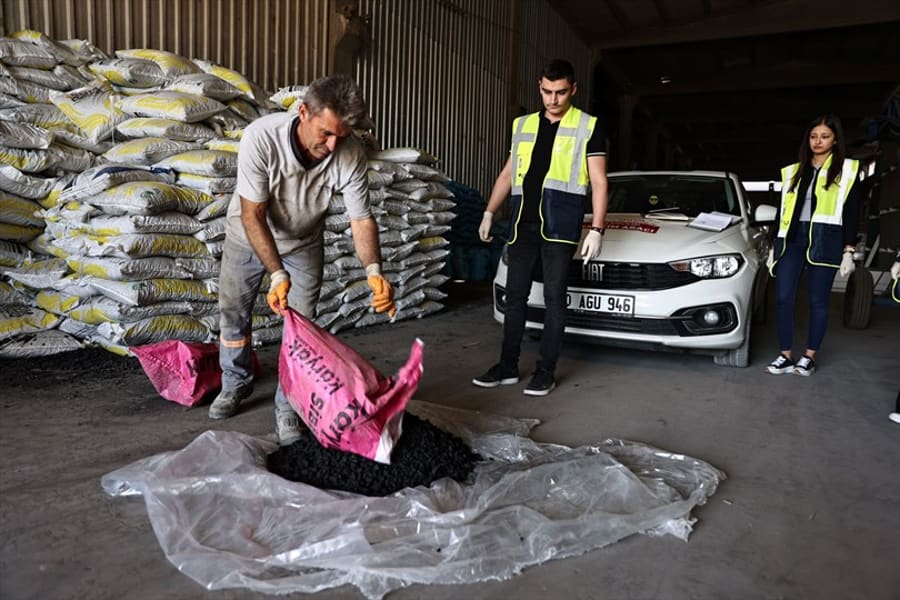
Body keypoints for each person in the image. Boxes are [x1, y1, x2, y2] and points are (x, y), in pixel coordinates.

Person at [209, 74, 396, 445]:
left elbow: (361, 219)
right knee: (234, 312)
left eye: (340, 136)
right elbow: (252, 215)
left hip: (305, 242)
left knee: (302, 327)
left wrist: (374, 271)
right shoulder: (262, 138)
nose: (331, 145)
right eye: (325, 133)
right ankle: (235, 383)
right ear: (303, 112)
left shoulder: (349, 152)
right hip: (248, 236)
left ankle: (288, 405)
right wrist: (276, 273)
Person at [473, 58, 608, 396]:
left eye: (561, 92)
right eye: (547, 92)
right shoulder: (523, 125)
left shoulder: (588, 126)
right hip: (522, 224)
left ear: (573, 90)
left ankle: (545, 370)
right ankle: (507, 366)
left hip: (560, 227)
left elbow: (599, 181)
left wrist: (597, 229)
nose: (553, 99)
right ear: (540, 87)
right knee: (515, 296)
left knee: (554, 299)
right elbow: (508, 173)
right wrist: (490, 211)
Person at [766, 114, 860, 377]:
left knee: (818, 301)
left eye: (825, 136)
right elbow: (781, 210)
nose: (818, 142)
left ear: (835, 140)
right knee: (783, 298)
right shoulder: (793, 172)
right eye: (813, 136)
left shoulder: (847, 171)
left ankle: (809, 357)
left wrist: (849, 249)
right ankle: (785, 354)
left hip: (825, 241)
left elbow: (852, 211)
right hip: (792, 240)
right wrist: (774, 244)